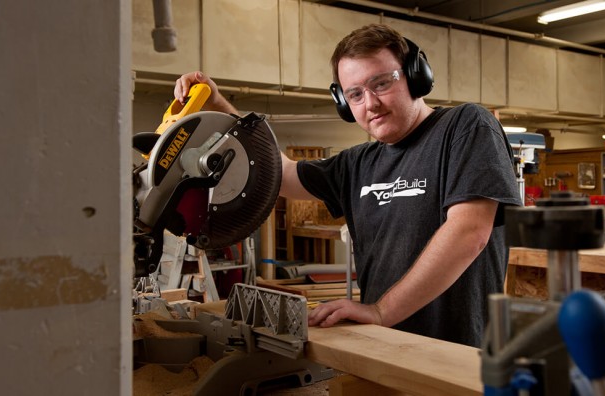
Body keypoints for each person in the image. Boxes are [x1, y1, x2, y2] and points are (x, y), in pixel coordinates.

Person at [173, 23, 522, 347]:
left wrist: (381, 311)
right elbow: (278, 171)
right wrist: (216, 104)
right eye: (354, 94)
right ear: (343, 103)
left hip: (461, 355)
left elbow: (469, 233)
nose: (370, 103)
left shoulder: (466, 126)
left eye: (381, 83)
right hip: (386, 349)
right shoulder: (357, 163)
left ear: (416, 77)